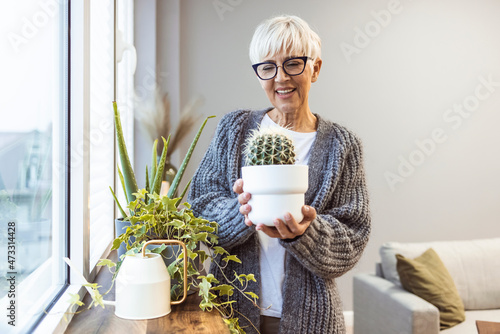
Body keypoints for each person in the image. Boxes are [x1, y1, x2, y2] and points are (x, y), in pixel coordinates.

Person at [187, 14, 371, 334]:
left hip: (312, 320)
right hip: (229, 312)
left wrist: (305, 232)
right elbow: (199, 209)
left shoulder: (343, 146)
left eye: (293, 63)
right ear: (258, 74)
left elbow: (352, 237)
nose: (281, 78)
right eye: (268, 67)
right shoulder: (234, 129)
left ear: (315, 68)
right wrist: (240, 212)